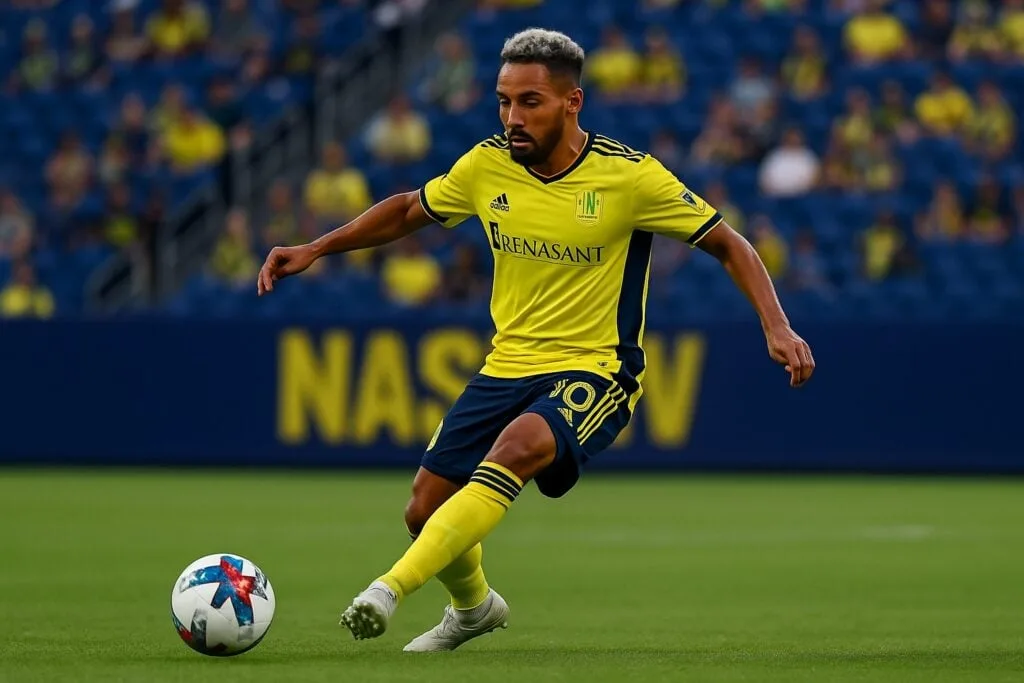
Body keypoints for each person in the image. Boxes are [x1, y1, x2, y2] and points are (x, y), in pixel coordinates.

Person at [256, 28, 814, 652]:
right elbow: (411, 210)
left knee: (517, 446)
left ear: (572, 102)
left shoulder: (630, 178)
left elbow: (727, 243)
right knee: (423, 511)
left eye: (530, 102)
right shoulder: (487, 164)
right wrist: (317, 246)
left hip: (598, 368)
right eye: (503, 101)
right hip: (507, 365)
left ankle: (388, 589)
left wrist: (776, 323)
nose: (512, 118)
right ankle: (473, 609)